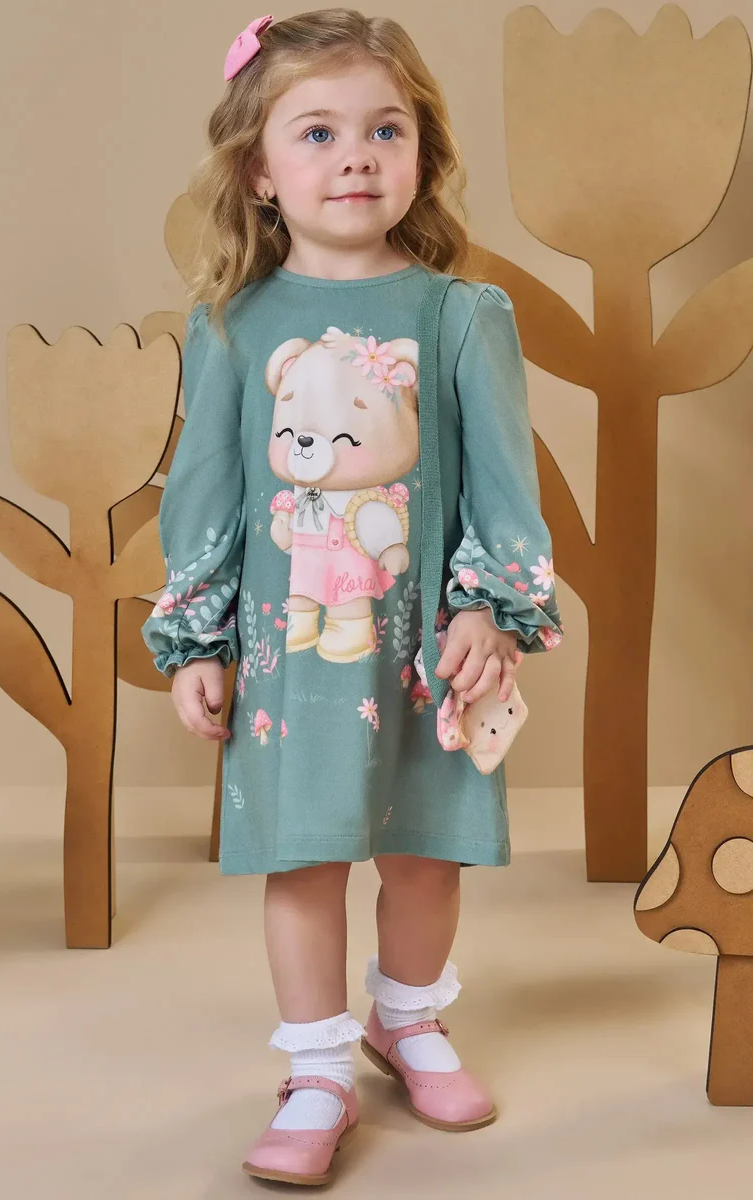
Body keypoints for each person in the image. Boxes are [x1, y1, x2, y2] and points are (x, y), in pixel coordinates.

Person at [142, 8, 563, 1187]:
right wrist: (196, 641)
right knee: (306, 860)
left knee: (424, 856)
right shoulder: (232, 329)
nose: (355, 157)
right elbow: (206, 499)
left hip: (430, 656)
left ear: (420, 152)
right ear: (258, 171)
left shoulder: (458, 316)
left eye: (385, 129)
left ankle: (408, 1019)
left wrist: (485, 609)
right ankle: (319, 1067)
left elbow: (502, 485)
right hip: (294, 664)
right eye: (317, 132)